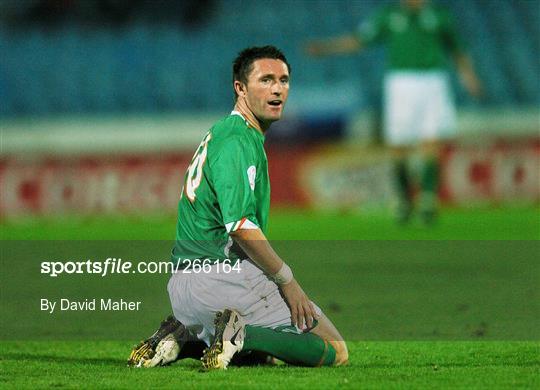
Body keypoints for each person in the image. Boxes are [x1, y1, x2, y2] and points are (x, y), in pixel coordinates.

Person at [128, 46, 348, 369]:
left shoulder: (222, 133)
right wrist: (287, 280)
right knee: (333, 348)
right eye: (266, 80)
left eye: (284, 80)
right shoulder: (237, 141)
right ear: (240, 88)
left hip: (183, 287)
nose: (277, 89)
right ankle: (240, 333)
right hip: (221, 279)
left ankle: (183, 339)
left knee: (270, 354)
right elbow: (240, 225)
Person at [307, 0, 482, 223]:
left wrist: (469, 77)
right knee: (399, 144)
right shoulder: (389, 17)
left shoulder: (440, 17)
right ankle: (404, 198)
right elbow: (360, 40)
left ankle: (428, 200)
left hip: (433, 80)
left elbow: (458, 50)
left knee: (432, 140)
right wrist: (326, 48)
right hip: (401, 83)